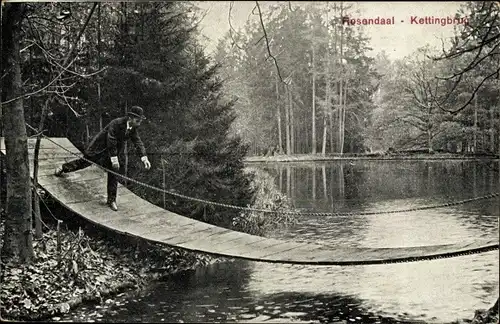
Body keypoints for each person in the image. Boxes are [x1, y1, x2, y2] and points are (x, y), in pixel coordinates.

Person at [55, 106, 151, 211]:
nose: (139, 123)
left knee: (114, 172)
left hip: (112, 152)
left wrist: (144, 158)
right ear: (130, 118)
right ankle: (63, 168)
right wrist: (114, 159)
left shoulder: (133, 128)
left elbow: (137, 142)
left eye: (140, 120)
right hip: (99, 148)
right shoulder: (116, 123)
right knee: (83, 163)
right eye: (138, 120)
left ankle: (111, 200)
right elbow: (111, 140)